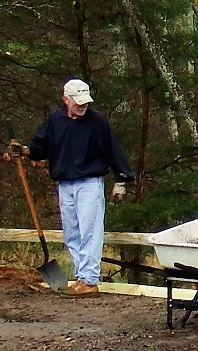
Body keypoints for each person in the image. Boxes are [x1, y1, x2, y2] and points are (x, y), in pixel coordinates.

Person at [3, 79, 134, 297]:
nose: (83, 106)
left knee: (89, 232)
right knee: (72, 233)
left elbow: (113, 150)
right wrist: (25, 151)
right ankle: (81, 277)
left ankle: (89, 280)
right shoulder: (55, 120)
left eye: (86, 102)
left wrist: (121, 180)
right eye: (78, 102)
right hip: (65, 184)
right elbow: (40, 146)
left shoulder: (97, 122)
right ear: (66, 100)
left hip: (89, 183)